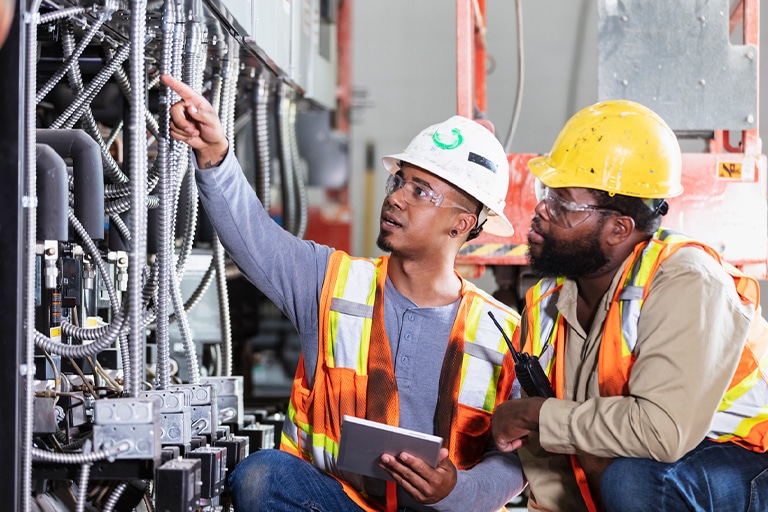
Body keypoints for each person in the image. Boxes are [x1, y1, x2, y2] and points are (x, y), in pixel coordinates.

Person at [161, 73, 527, 512]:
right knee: (264, 475)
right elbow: (254, 238)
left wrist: (455, 492)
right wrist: (214, 154)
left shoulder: (502, 333)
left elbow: (515, 462)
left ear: (462, 224)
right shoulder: (331, 281)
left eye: (420, 190)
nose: (396, 199)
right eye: (400, 182)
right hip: (338, 501)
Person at [490, 99, 768, 512]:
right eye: (544, 193)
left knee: (635, 479)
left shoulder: (685, 277)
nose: (541, 210)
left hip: (744, 461)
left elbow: (661, 432)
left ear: (619, 228)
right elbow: (557, 463)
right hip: (660, 467)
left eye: (563, 202)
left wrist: (536, 415)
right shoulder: (547, 303)